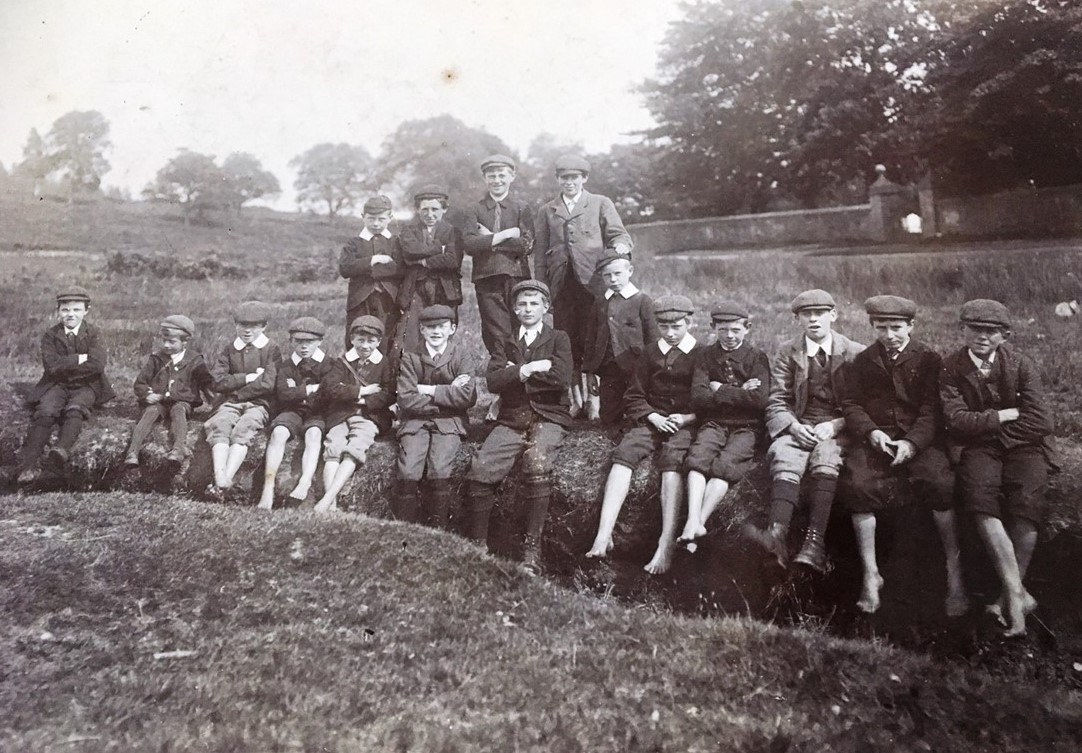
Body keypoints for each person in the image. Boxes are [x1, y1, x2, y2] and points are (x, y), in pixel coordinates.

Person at [840, 296, 968, 616]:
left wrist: (911, 444)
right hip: (878, 438)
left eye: (896, 327)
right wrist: (872, 432)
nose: (889, 334)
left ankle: (955, 575)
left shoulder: (928, 359)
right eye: (880, 328)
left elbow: (931, 409)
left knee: (940, 484)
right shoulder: (863, 360)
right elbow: (852, 404)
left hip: (918, 440)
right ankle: (871, 573)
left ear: (911, 326)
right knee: (858, 486)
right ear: (872, 326)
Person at [940, 299, 1057, 637]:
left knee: (1027, 503)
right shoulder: (950, 368)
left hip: (1024, 446)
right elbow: (955, 420)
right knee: (980, 500)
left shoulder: (1021, 364)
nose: (982, 337)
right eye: (975, 329)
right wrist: (1001, 416)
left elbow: (1041, 421)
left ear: (1005, 335)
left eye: (991, 332)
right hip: (978, 449)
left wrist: (991, 430)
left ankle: (1008, 595)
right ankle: (1017, 595)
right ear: (963, 330)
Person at [744, 290, 864, 571]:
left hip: (837, 427)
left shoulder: (855, 353)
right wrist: (793, 426)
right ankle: (777, 538)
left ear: (833, 315)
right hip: (800, 423)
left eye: (820, 314)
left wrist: (836, 425)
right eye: (806, 315)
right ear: (797, 319)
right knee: (784, 453)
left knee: (827, 457)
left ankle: (814, 544)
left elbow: (863, 404)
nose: (814, 320)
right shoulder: (788, 351)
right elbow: (777, 399)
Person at [586, 294, 701, 575]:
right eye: (664, 327)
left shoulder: (702, 354)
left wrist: (687, 418)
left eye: (677, 326)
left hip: (683, 424)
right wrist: (653, 416)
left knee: (672, 463)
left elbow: (706, 399)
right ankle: (604, 533)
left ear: (690, 323)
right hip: (652, 420)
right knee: (624, 455)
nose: (671, 333)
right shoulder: (649, 353)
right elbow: (634, 395)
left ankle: (665, 544)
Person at [464, 280, 572, 574]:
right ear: (513, 308)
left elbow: (561, 377)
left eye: (534, 303)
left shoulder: (558, 338)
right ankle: (478, 546)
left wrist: (515, 374)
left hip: (549, 414)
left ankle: (531, 550)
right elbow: (492, 381)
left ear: (545, 308)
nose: (527, 309)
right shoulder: (506, 340)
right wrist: (528, 369)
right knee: (480, 469)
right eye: (522, 304)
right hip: (513, 416)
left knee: (536, 463)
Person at [534, 154, 633, 416]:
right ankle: (574, 398)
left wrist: (620, 248)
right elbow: (541, 252)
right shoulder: (547, 210)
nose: (569, 182)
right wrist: (543, 290)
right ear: (557, 179)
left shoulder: (600, 203)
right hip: (561, 286)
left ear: (584, 179)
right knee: (567, 340)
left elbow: (618, 234)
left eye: (574, 178)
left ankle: (595, 400)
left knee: (595, 339)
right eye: (564, 178)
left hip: (594, 283)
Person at [679, 302, 770, 551]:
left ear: (747, 328)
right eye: (722, 330)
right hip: (714, 422)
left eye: (735, 330)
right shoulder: (706, 356)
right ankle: (692, 521)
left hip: (747, 427)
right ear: (713, 328)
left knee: (725, 466)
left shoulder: (757, 357)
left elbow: (760, 400)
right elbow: (698, 398)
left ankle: (699, 521)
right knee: (697, 458)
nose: (729, 336)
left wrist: (719, 388)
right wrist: (741, 391)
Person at [2, 286, 115, 485]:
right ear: (58, 311)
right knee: (45, 411)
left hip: (87, 385)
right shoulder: (51, 335)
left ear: (86, 311)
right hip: (57, 384)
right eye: (65, 310)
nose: (70, 314)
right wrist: (79, 358)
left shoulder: (94, 333)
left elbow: (97, 365)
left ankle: (61, 451)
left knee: (75, 409)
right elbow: (52, 367)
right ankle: (26, 466)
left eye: (76, 310)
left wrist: (68, 365)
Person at [393, 304, 477, 528]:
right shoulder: (410, 358)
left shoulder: (461, 356)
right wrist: (448, 395)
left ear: (452, 328)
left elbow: (468, 397)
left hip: (449, 424)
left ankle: (438, 530)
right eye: (430, 327)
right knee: (408, 469)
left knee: (440, 469)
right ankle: (406, 531)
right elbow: (406, 398)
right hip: (415, 422)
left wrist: (428, 390)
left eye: (441, 327)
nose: (436, 332)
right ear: (421, 330)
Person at [313, 315, 396, 513]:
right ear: (352, 339)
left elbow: (388, 393)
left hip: (369, 416)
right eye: (360, 340)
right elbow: (330, 389)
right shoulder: (342, 362)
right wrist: (363, 392)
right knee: (333, 446)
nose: (365, 346)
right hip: (340, 415)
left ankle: (327, 499)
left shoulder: (384, 364)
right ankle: (331, 504)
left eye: (370, 341)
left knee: (356, 447)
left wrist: (358, 399)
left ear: (378, 342)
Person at [204, 300, 281, 498]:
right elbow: (218, 381)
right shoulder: (230, 349)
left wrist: (237, 391)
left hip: (259, 403)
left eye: (254, 326)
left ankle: (223, 481)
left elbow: (268, 384)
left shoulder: (271, 349)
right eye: (243, 325)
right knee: (220, 423)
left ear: (264, 326)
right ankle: (220, 476)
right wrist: (248, 377)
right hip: (230, 403)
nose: (248, 331)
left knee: (244, 428)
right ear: (236, 325)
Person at [257, 317, 332, 511]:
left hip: (317, 412)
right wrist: (309, 389)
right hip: (292, 411)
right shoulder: (286, 365)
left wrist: (297, 390)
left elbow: (328, 392)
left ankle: (306, 480)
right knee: (278, 433)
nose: (304, 347)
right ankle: (268, 486)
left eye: (309, 342)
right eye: (299, 342)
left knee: (314, 434)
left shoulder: (329, 364)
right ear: (291, 342)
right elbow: (282, 394)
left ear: (320, 342)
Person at [462, 154, 534, 356]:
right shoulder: (474, 209)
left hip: (517, 276)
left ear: (512, 176)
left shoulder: (522, 208)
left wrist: (489, 240)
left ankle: (521, 370)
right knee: (495, 330)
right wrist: (506, 234)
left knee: (520, 323)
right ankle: (502, 373)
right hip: (487, 277)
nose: (497, 180)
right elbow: (469, 245)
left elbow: (526, 245)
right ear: (485, 179)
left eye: (502, 175)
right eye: (491, 176)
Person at [125, 314, 212, 467]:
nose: (166, 345)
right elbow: (140, 382)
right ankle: (132, 452)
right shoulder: (156, 359)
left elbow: (207, 384)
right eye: (164, 340)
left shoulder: (195, 360)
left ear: (185, 342)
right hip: (159, 401)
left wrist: (215, 403)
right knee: (150, 412)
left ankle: (178, 450)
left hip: (182, 401)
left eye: (171, 341)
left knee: (179, 411)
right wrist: (147, 395)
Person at [582, 253, 658, 424]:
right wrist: (590, 372)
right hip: (609, 368)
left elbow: (653, 337)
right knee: (609, 418)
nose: (613, 279)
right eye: (607, 275)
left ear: (630, 271)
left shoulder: (642, 301)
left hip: (636, 366)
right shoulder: (600, 302)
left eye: (617, 274)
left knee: (638, 412)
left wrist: (653, 367)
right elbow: (591, 338)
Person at [395, 185, 464, 356]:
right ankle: (410, 374)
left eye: (435, 209)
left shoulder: (453, 232)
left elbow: (452, 260)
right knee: (410, 334)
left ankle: (439, 374)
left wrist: (423, 261)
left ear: (444, 209)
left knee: (440, 331)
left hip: (444, 289)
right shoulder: (408, 230)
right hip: (415, 288)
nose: (430, 214)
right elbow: (409, 253)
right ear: (417, 209)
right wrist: (437, 249)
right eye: (425, 209)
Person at [338, 195, 403, 350]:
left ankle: (384, 372)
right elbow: (345, 268)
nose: (376, 223)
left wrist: (364, 268)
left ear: (390, 218)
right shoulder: (354, 243)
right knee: (357, 334)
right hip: (360, 300)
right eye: (371, 218)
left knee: (386, 337)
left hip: (388, 300)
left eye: (381, 219)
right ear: (363, 217)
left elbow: (400, 268)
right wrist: (373, 259)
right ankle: (354, 371)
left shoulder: (396, 242)